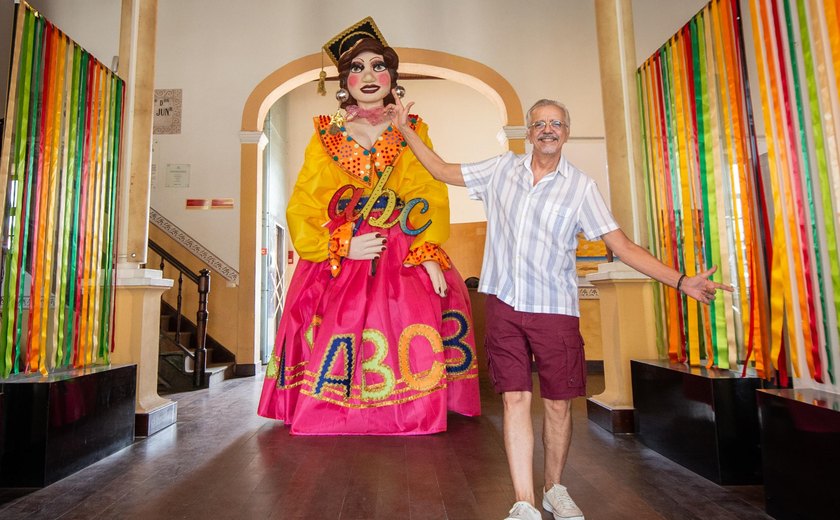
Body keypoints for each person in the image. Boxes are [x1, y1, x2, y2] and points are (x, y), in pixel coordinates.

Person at [389, 97, 732, 519]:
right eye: (539, 123)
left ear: (566, 132)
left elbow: (620, 246)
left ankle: (553, 486)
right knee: (515, 399)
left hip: (554, 309)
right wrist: (406, 130)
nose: (547, 129)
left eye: (556, 123)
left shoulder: (581, 187)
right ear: (529, 132)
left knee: (557, 404)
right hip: (503, 303)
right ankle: (524, 501)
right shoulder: (500, 170)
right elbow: (442, 170)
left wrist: (680, 281)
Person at [257, 18, 480, 435]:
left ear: (393, 77)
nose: (368, 75)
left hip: (401, 246)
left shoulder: (412, 129)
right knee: (334, 323)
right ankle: (334, 409)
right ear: (345, 82)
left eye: (378, 65)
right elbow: (303, 203)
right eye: (356, 67)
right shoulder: (325, 135)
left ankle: (409, 410)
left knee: (414, 313)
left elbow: (427, 190)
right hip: (342, 251)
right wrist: (338, 245)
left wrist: (427, 250)